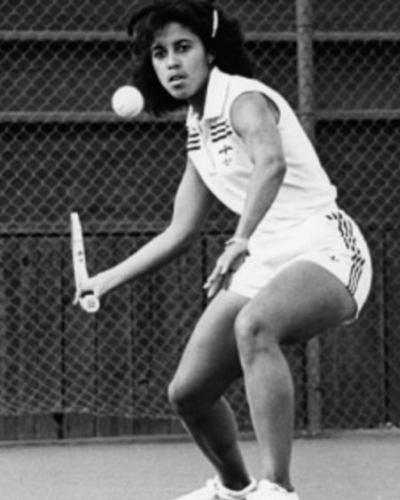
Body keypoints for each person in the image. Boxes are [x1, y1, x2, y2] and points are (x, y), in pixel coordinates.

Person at [80, 1, 373, 499]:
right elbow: (180, 231)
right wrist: (105, 279)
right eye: (159, 53)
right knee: (188, 393)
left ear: (210, 52)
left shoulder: (243, 98)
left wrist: (240, 239)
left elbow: (272, 163)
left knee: (254, 325)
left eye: (183, 47)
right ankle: (234, 487)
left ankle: (277, 488)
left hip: (325, 246)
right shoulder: (197, 128)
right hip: (264, 259)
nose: (172, 63)